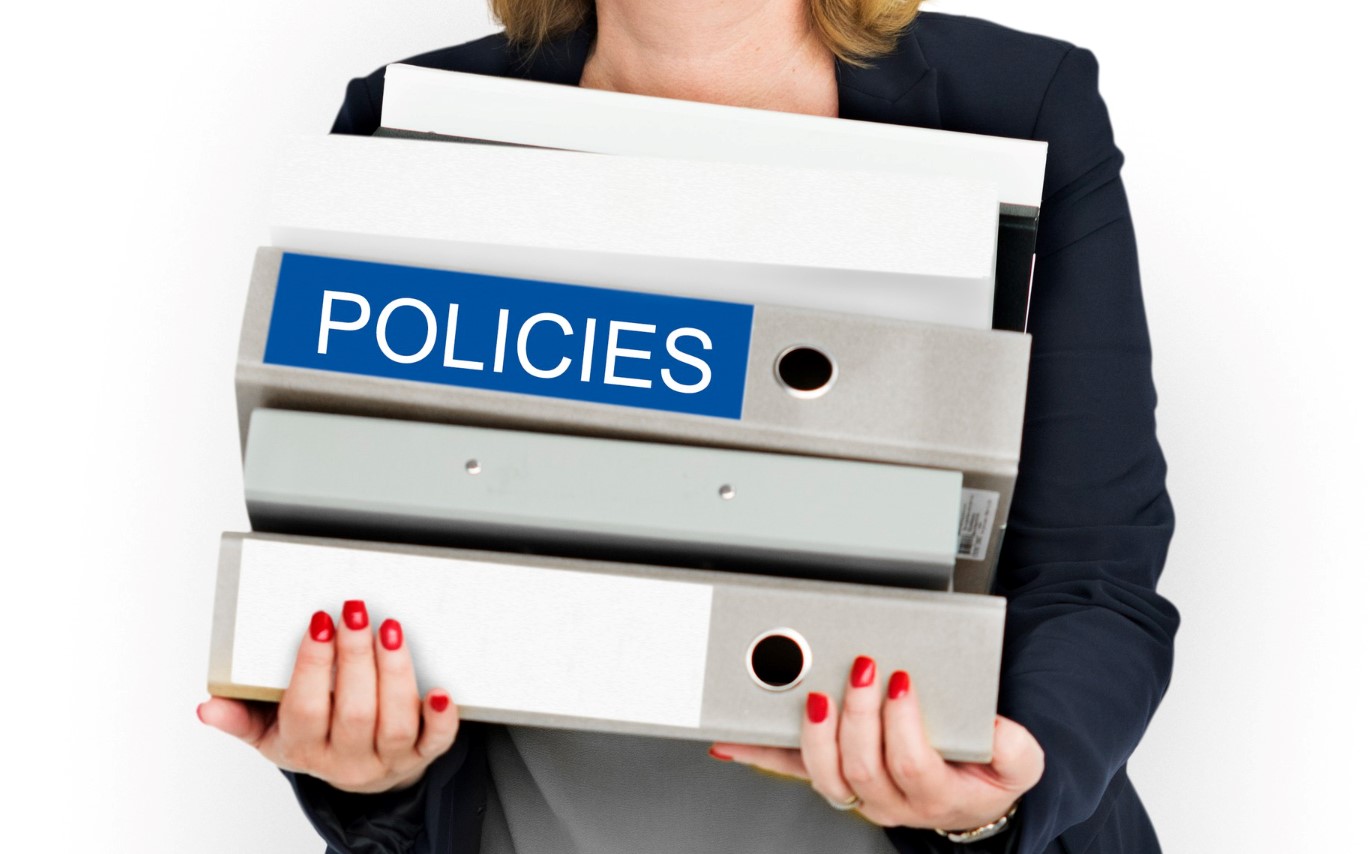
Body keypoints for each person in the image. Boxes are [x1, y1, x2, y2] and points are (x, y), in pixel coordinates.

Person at [198, 1, 1180, 851]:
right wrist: (362, 759)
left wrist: (993, 802)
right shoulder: (402, 121)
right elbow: (346, 566)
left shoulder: (1018, 105)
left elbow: (1093, 581)